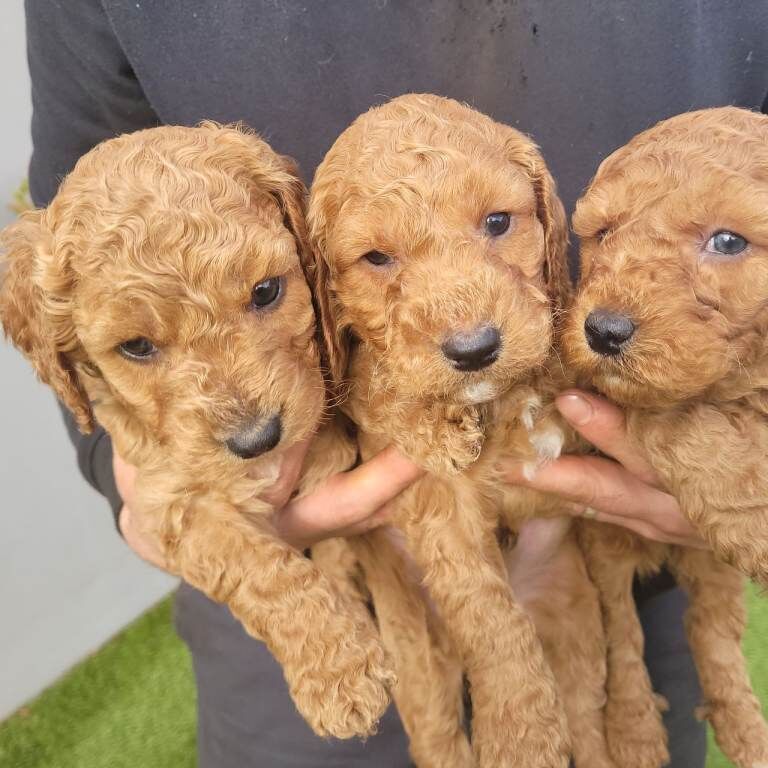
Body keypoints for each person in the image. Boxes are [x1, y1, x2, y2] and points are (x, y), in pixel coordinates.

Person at [25, 1, 768, 766]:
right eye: (371, 259)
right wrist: (137, 490)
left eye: (266, 294)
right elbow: (68, 274)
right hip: (320, 567)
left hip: (622, 538)